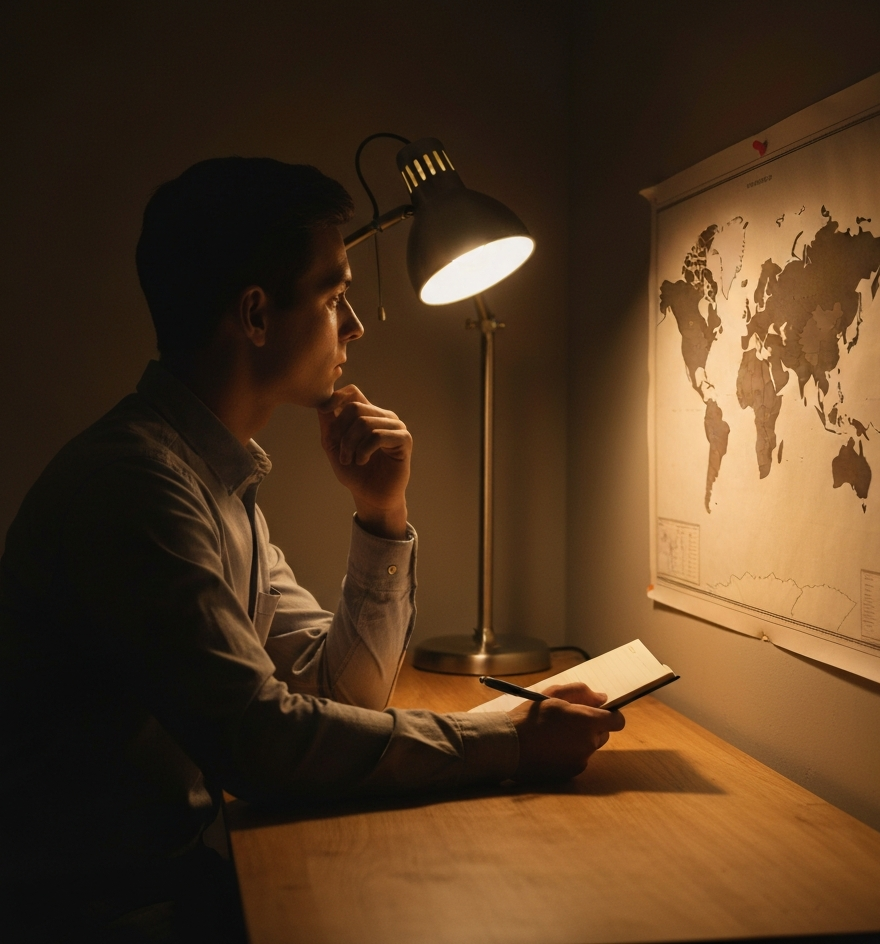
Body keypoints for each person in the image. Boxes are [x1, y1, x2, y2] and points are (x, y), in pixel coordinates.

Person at [0, 157, 623, 941]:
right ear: (256, 315)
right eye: (333, 298)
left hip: (169, 885)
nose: (353, 326)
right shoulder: (137, 489)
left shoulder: (215, 482)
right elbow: (262, 743)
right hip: (106, 915)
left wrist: (382, 513)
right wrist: (510, 744)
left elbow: (341, 696)